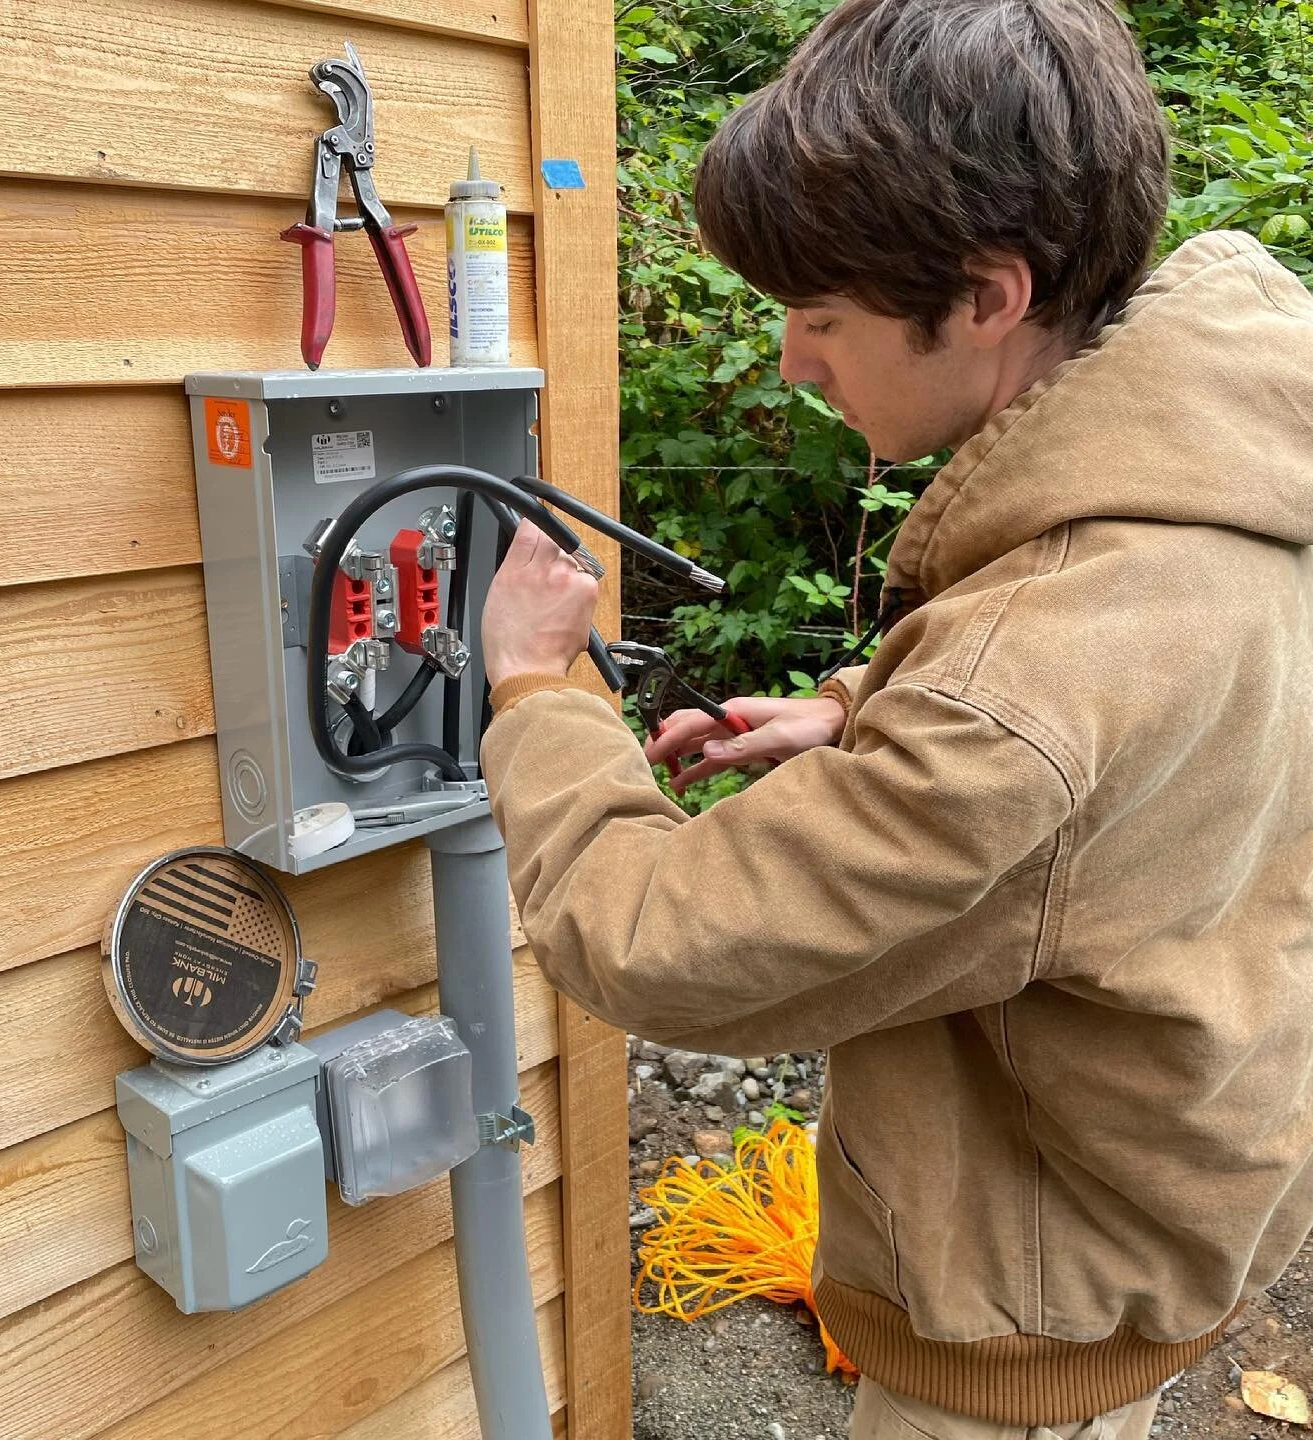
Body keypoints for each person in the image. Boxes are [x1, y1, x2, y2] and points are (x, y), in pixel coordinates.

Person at [478, 1, 1313, 1436]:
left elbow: (659, 940)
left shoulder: (1017, 691)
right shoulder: (1243, 460)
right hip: (1175, 1204)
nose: (800, 366)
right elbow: (1138, 709)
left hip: (1020, 1336)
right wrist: (867, 715)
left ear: (988, 296)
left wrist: (536, 692)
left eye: (821, 319)